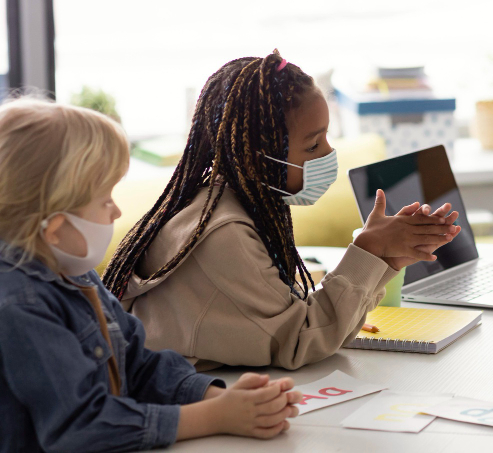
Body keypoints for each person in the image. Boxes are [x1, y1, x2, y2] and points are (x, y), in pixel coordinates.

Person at [103, 52, 461, 370]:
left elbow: (292, 319)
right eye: (313, 144)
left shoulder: (230, 204)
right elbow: (300, 341)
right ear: (259, 154)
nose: (327, 154)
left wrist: (388, 257)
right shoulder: (225, 235)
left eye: (326, 138)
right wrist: (369, 251)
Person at [0, 98, 303, 452]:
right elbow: (80, 426)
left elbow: (138, 364)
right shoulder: (18, 306)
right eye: (104, 199)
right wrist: (214, 417)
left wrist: (216, 395)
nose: (116, 210)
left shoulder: (74, 272)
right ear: (55, 228)